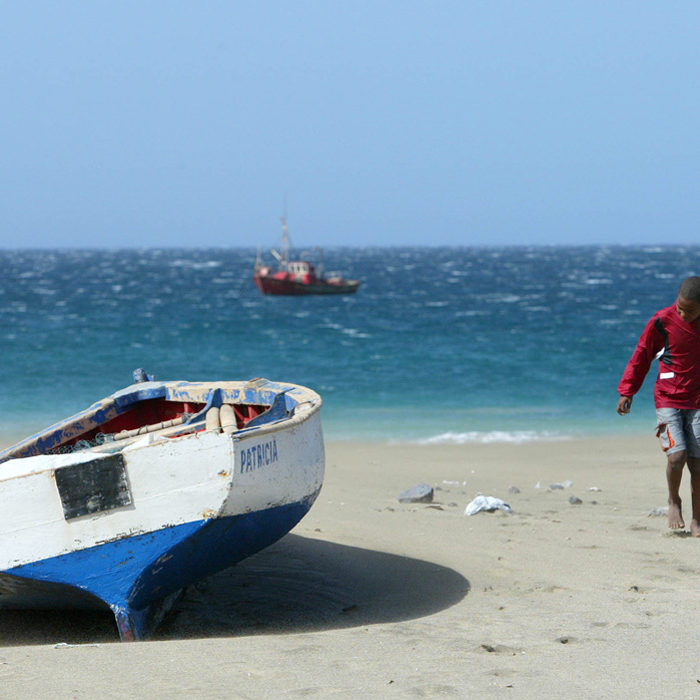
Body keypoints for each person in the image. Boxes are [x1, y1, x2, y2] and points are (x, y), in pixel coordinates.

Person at [617, 276, 700, 537]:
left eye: (690, 310)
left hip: (698, 401)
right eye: (679, 307)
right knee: (677, 457)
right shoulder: (662, 321)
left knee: (698, 463)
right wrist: (627, 390)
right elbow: (642, 355)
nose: (682, 313)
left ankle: (698, 517)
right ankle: (674, 500)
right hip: (668, 397)